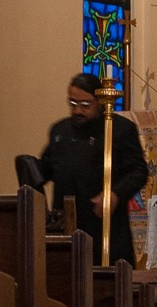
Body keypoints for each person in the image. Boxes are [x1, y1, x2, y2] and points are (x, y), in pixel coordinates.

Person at [29, 73, 149, 266]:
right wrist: (28, 167)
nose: (77, 111)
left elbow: (139, 171)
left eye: (85, 105)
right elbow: (47, 168)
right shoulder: (60, 131)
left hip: (105, 227)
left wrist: (115, 193)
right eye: (73, 103)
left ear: (100, 101)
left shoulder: (119, 129)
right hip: (66, 226)